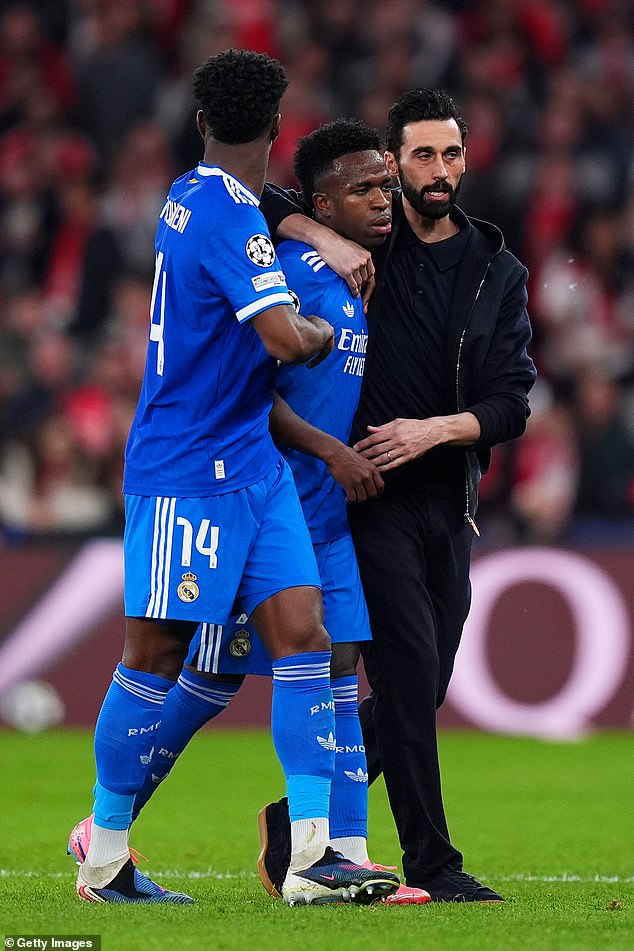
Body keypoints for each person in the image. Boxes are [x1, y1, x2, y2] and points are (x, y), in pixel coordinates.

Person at [68, 49, 400, 908]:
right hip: (188, 466)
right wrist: (325, 335)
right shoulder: (231, 219)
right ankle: (104, 855)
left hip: (251, 459)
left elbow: (264, 217)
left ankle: (313, 861)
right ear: (276, 127)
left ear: (204, 122)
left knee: (305, 636)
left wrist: (306, 231)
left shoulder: (191, 192)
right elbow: (285, 340)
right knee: (155, 655)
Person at [256, 88, 536, 902]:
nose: (437, 171)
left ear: (466, 157)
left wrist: (435, 429)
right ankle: (433, 864)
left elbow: (512, 400)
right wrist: (313, 231)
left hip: (449, 500)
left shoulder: (497, 270)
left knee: (427, 683)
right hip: (368, 500)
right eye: (420, 156)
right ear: (391, 162)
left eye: (450, 154)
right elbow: (269, 200)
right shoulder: (365, 237)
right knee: (411, 673)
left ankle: (289, 819)